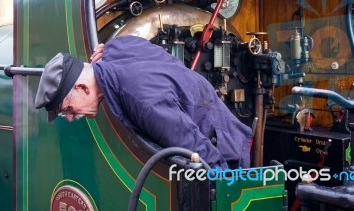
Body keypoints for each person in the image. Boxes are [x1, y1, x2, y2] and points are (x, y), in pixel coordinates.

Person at [34, 35, 252, 169]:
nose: (72, 118)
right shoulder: (116, 48)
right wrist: (107, 48)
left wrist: (226, 186)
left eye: (69, 109)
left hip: (224, 148)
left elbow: (196, 151)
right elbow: (131, 44)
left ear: (82, 87)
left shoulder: (144, 102)